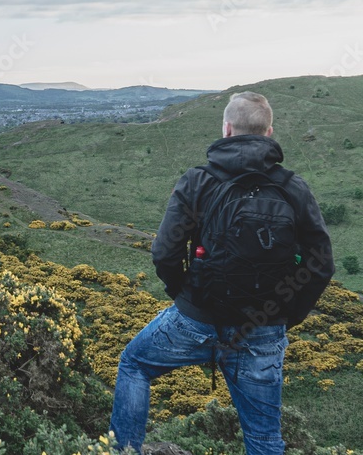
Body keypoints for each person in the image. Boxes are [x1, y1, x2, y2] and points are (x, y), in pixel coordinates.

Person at [109, 91, 334, 454]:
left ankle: (122, 450)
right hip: (262, 328)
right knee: (263, 438)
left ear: (226, 129)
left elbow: (165, 253)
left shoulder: (197, 181)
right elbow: (321, 264)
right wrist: (285, 317)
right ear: (269, 132)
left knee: (134, 364)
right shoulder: (293, 188)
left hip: (195, 318)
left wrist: (187, 298)